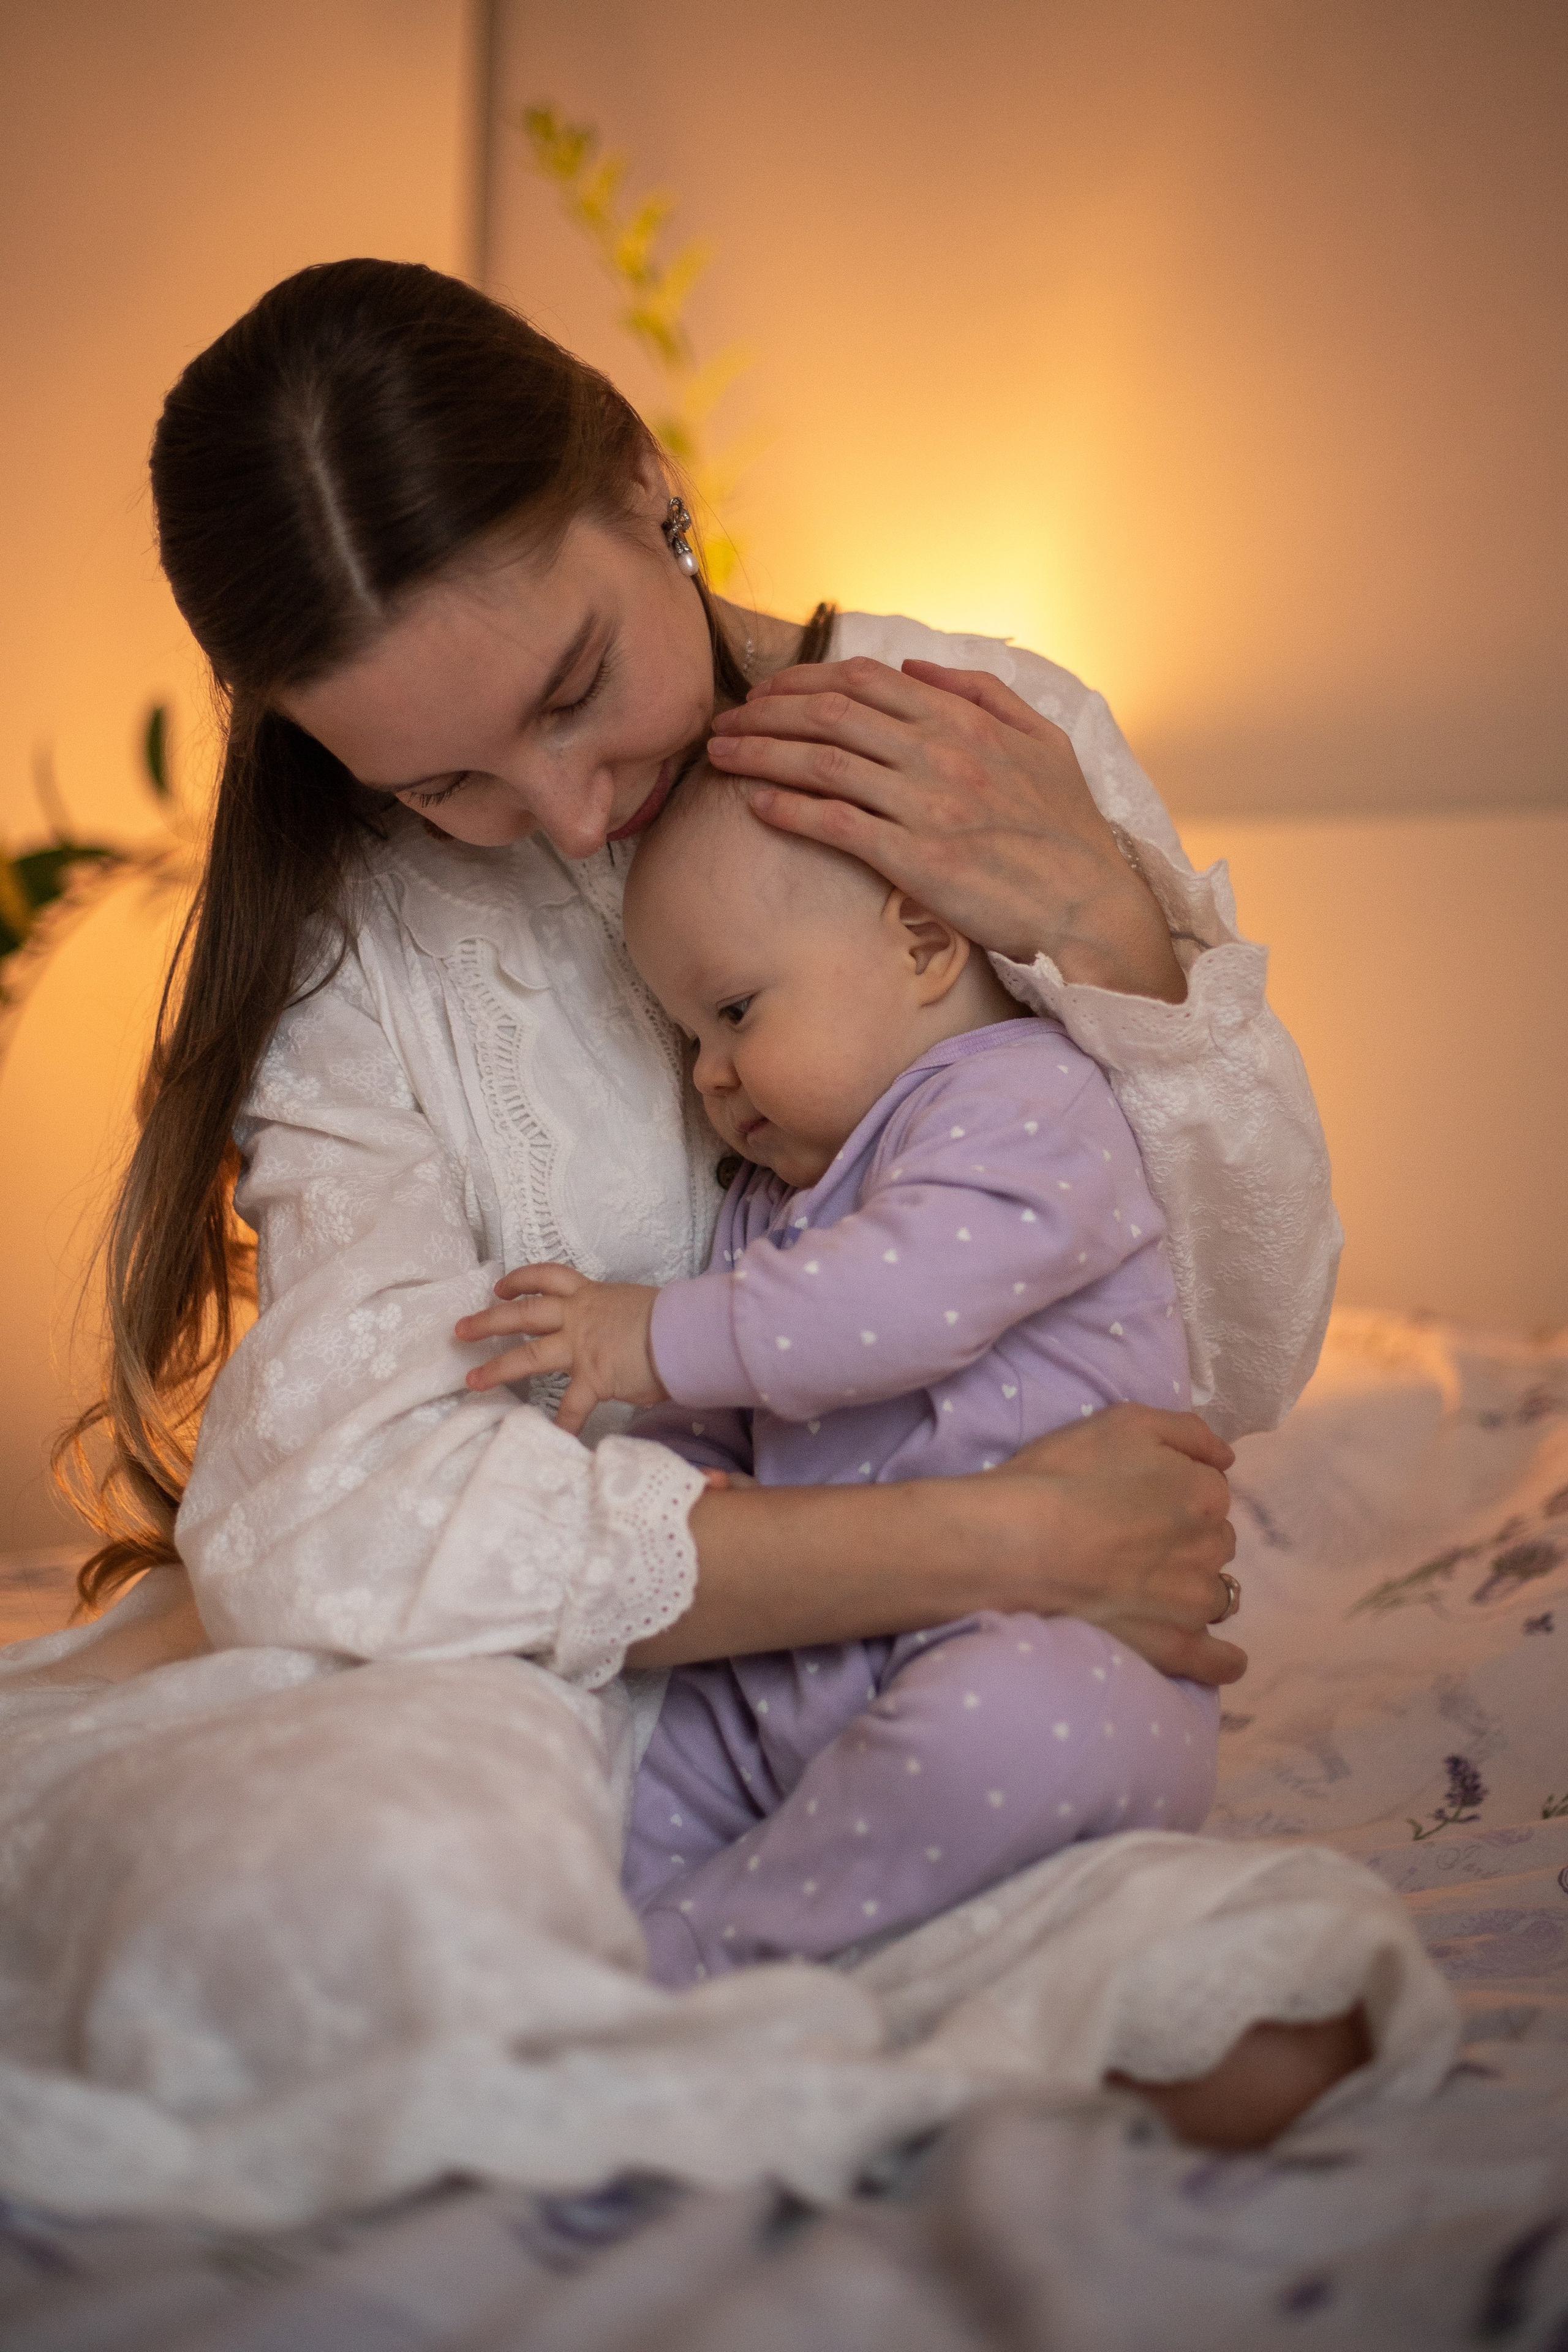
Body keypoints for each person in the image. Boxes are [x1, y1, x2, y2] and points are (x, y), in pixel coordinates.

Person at [0, 260, 1449, 2225]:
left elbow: (1246, 1352)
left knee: (1263, 2004)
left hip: (951, 1675)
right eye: (441, 783)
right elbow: (336, 1517)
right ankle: (719, 2024)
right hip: (549, 1680)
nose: (569, 813)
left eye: (573, 690)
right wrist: (1001, 1537)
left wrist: (1111, 934)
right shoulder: (355, 950)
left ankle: (705, 2033)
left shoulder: (974, 739)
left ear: (645, 481)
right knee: (324, 1899)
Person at [456, 758, 1219, 1988]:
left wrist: (642, 1336)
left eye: (734, 1013)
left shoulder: (1026, 1098)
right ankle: (583, 1952)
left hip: (1051, 1642)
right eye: (687, 1037)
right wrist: (683, 1487)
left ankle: (699, 1956)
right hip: (803, 1661)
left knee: (1014, 1731)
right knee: (619, 1758)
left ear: (922, 946)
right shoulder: (769, 1205)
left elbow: (894, 1308)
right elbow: (727, 1410)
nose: (706, 1074)